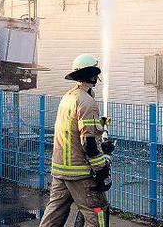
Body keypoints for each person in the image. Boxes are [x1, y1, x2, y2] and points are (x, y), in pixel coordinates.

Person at [39, 54, 114, 227]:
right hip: (79, 172)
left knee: (55, 212)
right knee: (97, 211)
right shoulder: (87, 102)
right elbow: (88, 143)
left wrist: (102, 131)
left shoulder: (69, 97)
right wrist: (101, 167)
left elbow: (76, 130)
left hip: (60, 170)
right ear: (93, 75)